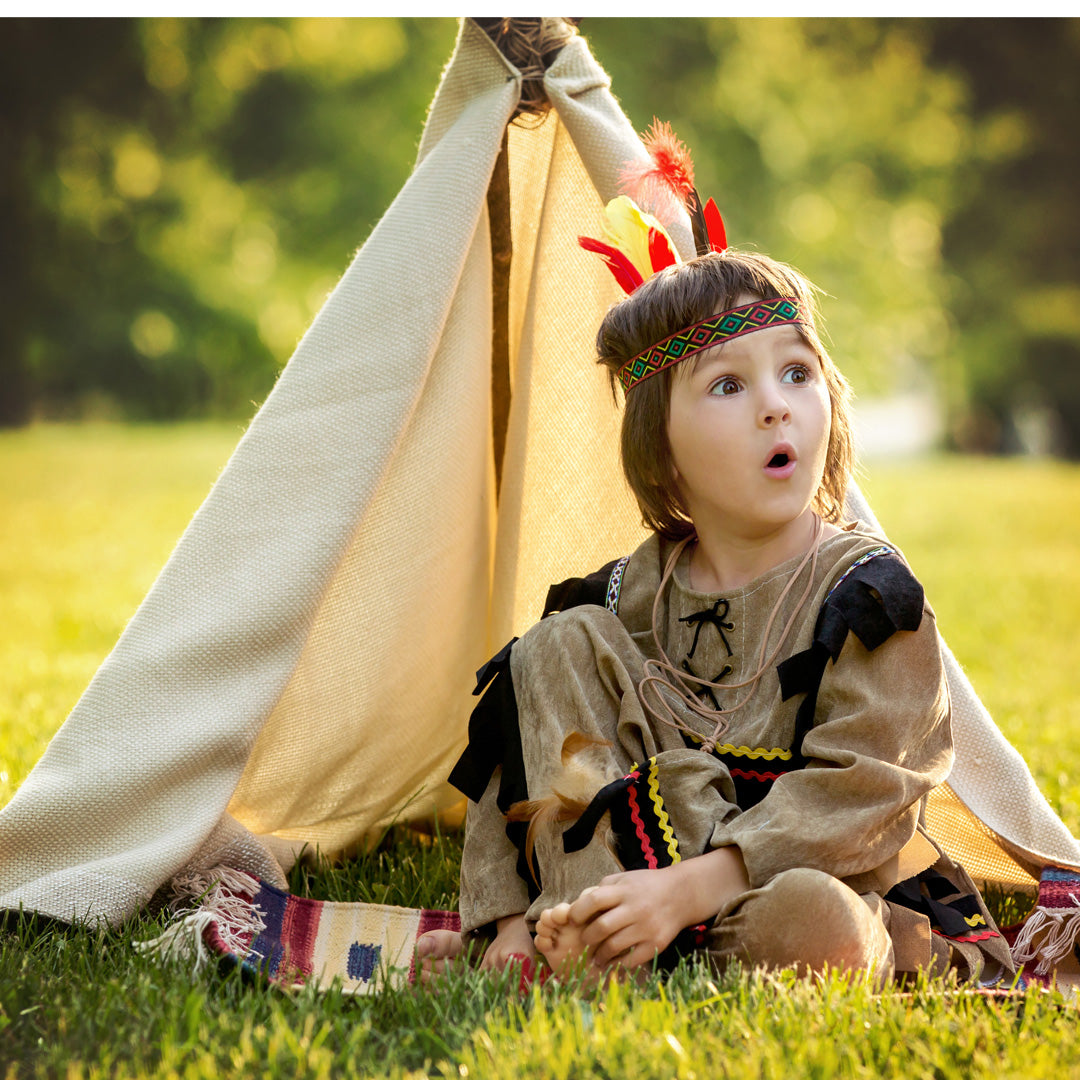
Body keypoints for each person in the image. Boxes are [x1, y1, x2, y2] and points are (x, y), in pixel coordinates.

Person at [416, 197, 1015, 989]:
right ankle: (581, 928)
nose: (776, 405)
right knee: (550, 646)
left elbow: (867, 794)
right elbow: (521, 747)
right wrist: (501, 920)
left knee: (822, 924)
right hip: (634, 874)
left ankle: (616, 946)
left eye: (796, 373)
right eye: (729, 385)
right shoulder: (629, 593)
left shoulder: (868, 599)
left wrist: (688, 890)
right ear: (660, 446)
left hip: (791, 883)